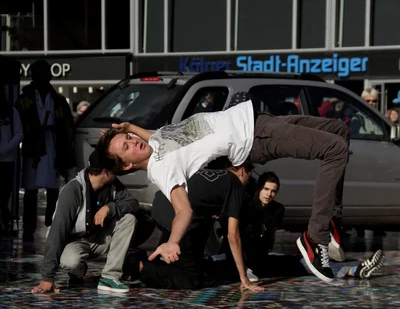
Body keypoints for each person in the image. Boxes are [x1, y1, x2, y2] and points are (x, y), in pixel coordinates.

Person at [97, 93, 349, 284]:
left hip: (253, 118)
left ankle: (331, 220)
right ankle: (315, 239)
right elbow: (183, 209)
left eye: (129, 139)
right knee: (334, 150)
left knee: (340, 131)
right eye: (126, 146)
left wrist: (128, 128)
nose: (133, 142)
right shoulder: (162, 169)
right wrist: (172, 241)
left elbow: (155, 137)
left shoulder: (157, 142)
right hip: (253, 138)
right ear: (128, 165)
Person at [124, 162, 261, 291]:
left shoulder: (211, 174)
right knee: (192, 279)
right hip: (176, 214)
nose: (248, 183)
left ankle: (157, 263)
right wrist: (244, 277)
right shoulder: (236, 184)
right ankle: (137, 266)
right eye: (249, 177)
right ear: (243, 171)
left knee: (203, 225)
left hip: (161, 204)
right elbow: (233, 235)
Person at [239, 171, 385, 281]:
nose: (269, 194)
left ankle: (354, 270)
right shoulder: (247, 206)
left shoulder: (277, 209)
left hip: (263, 258)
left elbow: (271, 235)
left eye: (273, 191)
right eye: (266, 189)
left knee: (303, 262)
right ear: (259, 189)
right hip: (242, 259)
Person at [31, 149, 139, 295]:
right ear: (105, 172)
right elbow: (57, 233)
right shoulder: (73, 191)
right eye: (114, 169)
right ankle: (78, 272)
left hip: (99, 238)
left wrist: (109, 208)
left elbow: (133, 203)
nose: (117, 172)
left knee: (128, 220)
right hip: (74, 242)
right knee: (71, 262)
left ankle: (110, 277)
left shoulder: (112, 185)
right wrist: (47, 277)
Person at [15, 60, 75, 242]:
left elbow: (68, 126)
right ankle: (28, 230)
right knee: (31, 191)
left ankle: (52, 225)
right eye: (40, 73)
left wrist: (66, 152)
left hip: (52, 146)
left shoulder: (57, 100)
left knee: (53, 190)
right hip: (33, 147)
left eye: (46, 73)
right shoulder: (25, 98)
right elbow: (18, 122)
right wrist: (32, 131)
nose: (44, 77)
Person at [0, 89, 23, 236]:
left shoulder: (11, 112)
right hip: (6, 157)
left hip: (7, 159)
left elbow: (19, 133)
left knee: (4, 192)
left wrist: (6, 148)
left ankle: (3, 220)